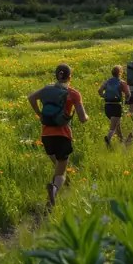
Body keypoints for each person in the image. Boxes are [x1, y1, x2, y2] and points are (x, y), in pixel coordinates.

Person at [28, 64, 88, 208]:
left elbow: (31, 97)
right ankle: (54, 189)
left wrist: (39, 114)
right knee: (61, 172)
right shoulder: (73, 93)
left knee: (58, 165)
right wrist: (86, 116)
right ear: (70, 77)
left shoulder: (46, 90)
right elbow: (82, 118)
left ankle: (61, 188)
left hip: (46, 135)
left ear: (56, 76)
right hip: (63, 135)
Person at [98, 65, 130, 147]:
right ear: (120, 73)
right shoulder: (122, 83)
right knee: (113, 126)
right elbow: (127, 94)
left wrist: (104, 96)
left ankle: (121, 140)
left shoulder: (107, 82)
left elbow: (100, 91)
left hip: (107, 106)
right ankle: (108, 138)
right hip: (116, 106)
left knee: (117, 124)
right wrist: (126, 101)